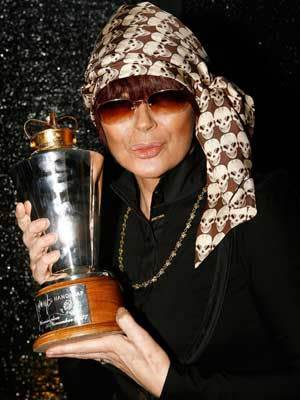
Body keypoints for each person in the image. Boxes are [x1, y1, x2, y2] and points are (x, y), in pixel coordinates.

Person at [15, 1, 299, 399]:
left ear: (197, 105)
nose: (144, 123)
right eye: (117, 106)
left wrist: (170, 384)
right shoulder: (103, 218)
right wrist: (63, 291)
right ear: (99, 121)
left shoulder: (253, 202)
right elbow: (91, 390)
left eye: (164, 99)